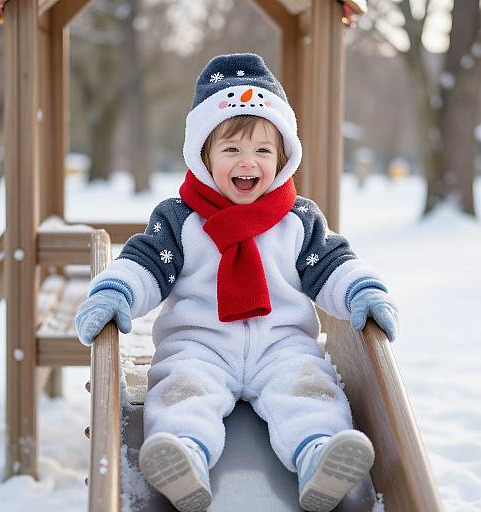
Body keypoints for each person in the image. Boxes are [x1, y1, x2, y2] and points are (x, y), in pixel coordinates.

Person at [75, 53, 398, 512]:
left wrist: (361, 290)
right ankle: (183, 457)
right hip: (199, 344)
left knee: (309, 392)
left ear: (283, 158)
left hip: (282, 346)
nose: (248, 162)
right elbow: (145, 261)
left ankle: (319, 455)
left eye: (263, 151)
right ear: (203, 156)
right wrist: (116, 290)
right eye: (231, 150)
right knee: (183, 391)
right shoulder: (181, 219)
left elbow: (332, 264)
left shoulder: (297, 219)